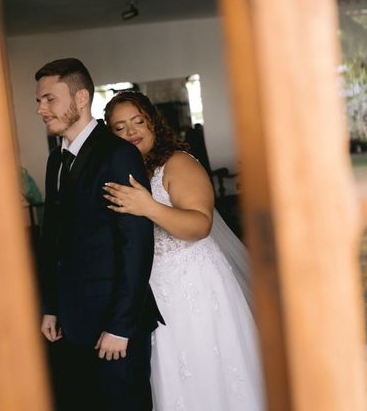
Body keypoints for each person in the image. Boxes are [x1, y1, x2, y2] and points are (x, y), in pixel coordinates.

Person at [104, 91, 264, 411]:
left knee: (208, 365)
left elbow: (199, 225)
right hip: (154, 290)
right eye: (120, 128)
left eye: (138, 121)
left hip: (196, 286)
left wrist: (148, 207)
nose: (131, 132)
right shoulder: (130, 171)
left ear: (154, 122)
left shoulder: (177, 163)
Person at [35, 58, 163, 411]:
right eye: (39, 101)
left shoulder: (118, 155)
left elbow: (136, 244)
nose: (41, 109)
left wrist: (121, 326)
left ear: (80, 99)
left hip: (115, 323)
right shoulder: (54, 160)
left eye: (49, 99)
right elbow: (55, 240)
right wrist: (51, 307)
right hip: (70, 322)